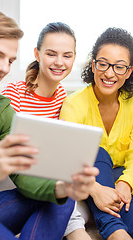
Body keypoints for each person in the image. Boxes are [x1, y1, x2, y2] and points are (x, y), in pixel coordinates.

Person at [0, 10, 99, 240]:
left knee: (61, 198)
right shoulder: (12, 96)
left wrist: (62, 188)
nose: (3, 68)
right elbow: (0, 167)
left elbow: (22, 168)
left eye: (10, 60)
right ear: (38, 55)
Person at [2, 21, 93, 239]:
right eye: (51, 54)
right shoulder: (14, 93)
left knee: (67, 199)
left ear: (74, 57)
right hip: (11, 180)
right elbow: (1, 150)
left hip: (47, 183)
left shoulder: (63, 98)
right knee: (65, 202)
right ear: (37, 54)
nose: (59, 62)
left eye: (67, 55)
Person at [60, 27, 133, 240]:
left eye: (119, 67)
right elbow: (70, 159)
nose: (109, 73)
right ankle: (114, 231)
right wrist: (96, 190)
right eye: (103, 64)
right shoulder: (74, 105)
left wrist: (126, 183)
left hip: (122, 178)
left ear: (129, 71)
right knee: (96, 152)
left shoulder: (131, 104)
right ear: (93, 65)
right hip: (89, 179)